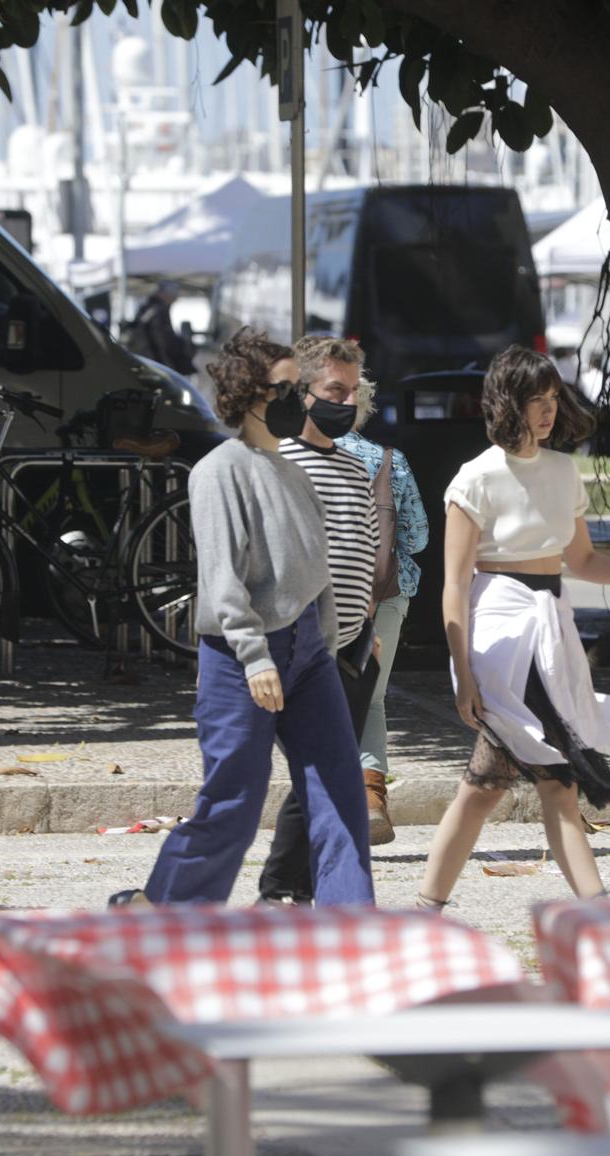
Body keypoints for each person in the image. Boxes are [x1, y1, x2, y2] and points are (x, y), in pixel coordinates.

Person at [415, 346, 610, 911]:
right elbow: (454, 587)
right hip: (497, 634)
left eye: (553, 399)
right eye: (536, 400)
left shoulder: (564, 470)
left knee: (501, 784)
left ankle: (429, 908)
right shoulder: (476, 478)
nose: (547, 411)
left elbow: (582, 563)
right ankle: (597, 910)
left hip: (550, 632)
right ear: (507, 403)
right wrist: (463, 675)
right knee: (548, 779)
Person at [129, 328, 373, 907]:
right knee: (233, 803)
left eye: (297, 387)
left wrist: (330, 641)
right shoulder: (219, 470)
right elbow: (221, 579)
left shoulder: (292, 472)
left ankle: (350, 925)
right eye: (285, 388)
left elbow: (317, 571)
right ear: (250, 394)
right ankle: (162, 910)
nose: (298, 400)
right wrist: (255, 654)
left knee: (340, 790)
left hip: (309, 653)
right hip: (243, 660)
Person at [254, 335, 385, 907]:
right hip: (306, 644)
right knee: (323, 774)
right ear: (303, 393)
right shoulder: (285, 466)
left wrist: (367, 632)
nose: (346, 402)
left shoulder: (357, 471)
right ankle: (284, 887)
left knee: (327, 775)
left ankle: (296, 888)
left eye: (353, 392)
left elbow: (366, 551)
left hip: (354, 645)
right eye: (335, 390)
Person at [336, 378, 429, 846]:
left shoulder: (296, 459)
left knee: (316, 700)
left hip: (320, 598)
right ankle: (373, 801)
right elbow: (418, 537)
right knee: (370, 699)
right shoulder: (389, 460)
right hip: (385, 594)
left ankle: (323, 808)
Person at [125, 279, 195, 375]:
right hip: (153, 360)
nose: (175, 298)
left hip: (147, 359)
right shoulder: (158, 310)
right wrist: (167, 362)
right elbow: (160, 339)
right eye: (173, 295)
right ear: (166, 294)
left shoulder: (150, 307)